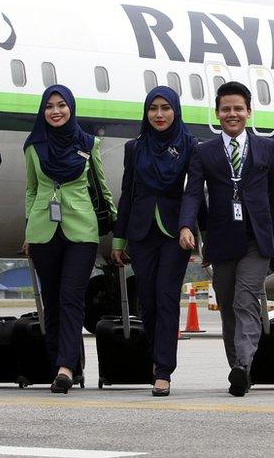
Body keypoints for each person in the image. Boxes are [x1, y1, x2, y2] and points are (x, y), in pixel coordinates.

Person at [179, 81, 274, 397]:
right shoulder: (204, 151)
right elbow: (194, 192)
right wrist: (187, 227)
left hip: (255, 240)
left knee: (245, 299)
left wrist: (271, 239)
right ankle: (239, 369)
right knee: (227, 307)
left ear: (249, 112)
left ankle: (242, 365)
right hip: (222, 240)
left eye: (238, 108)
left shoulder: (267, 148)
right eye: (226, 109)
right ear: (217, 113)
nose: (232, 114)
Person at [22, 85, 117, 394]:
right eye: (49, 106)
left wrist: (117, 236)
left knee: (71, 297)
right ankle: (62, 366)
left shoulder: (90, 144)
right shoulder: (33, 147)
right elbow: (32, 190)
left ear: (71, 108)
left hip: (81, 230)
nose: (56, 111)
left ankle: (65, 367)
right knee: (51, 302)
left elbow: (101, 187)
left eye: (61, 105)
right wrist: (28, 229)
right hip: (43, 231)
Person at [113, 86, 201, 397]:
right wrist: (118, 239)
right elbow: (127, 194)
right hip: (141, 231)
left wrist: (188, 225)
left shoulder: (190, 146)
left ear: (175, 110)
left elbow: (193, 192)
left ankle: (164, 370)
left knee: (166, 297)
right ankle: (155, 358)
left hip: (175, 233)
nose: (159, 114)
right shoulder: (134, 148)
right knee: (147, 301)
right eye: (153, 108)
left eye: (165, 108)